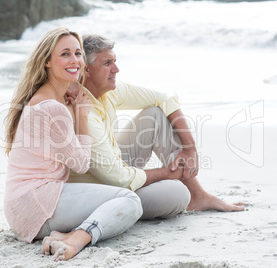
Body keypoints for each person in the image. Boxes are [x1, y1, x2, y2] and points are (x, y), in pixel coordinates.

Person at [67, 34, 244, 220]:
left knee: (155, 114)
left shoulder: (108, 91)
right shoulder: (80, 108)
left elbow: (164, 98)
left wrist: (190, 148)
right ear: (86, 70)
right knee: (178, 194)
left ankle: (199, 196)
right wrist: (168, 172)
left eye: (115, 61)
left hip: (115, 169)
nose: (116, 69)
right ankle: (176, 198)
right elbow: (118, 178)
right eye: (108, 63)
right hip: (103, 191)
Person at [3, 27, 143, 262]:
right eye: (65, 54)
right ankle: (75, 241)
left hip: (26, 207)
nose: (75, 60)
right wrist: (82, 115)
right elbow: (80, 163)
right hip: (38, 206)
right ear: (47, 61)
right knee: (130, 200)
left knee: (122, 199)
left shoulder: (41, 98)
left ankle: (64, 234)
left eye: (78, 53)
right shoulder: (52, 108)